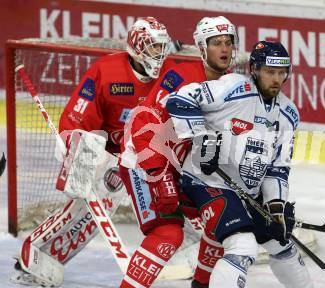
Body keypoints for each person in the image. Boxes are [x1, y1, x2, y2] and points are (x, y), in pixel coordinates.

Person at [10, 17, 175, 287]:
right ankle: (35, 251)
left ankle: (196, 245)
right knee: (90, 210)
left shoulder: (170, 75)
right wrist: (73, 143)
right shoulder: (106, 71)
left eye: (161, 48)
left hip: (143, 157)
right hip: (108, 154)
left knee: (174, 192)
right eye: (153, 47)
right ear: (136, 47)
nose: (159, 54)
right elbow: (77, 115)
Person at [166, 41, 314, 288]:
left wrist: (276, 208)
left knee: (281, 242)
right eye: (270, 72)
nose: (276, 79)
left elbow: (278, 168)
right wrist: (203, 137)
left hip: (248, 193)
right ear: (255, 70)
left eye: (281, 72)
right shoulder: (234, 87)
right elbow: (178, 99)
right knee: (243, 244)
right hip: (206, 182)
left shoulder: (288, 113)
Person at [119, 16, 239, 288]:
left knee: (221, 218)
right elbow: (144, 121)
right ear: (201, 47)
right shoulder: (180, 77)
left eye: (228, 43)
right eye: (216, 43)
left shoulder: (232, 87)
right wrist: (157, 174)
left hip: (184, 168)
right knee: (168, 233)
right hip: (144, 162)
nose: (224, 49)